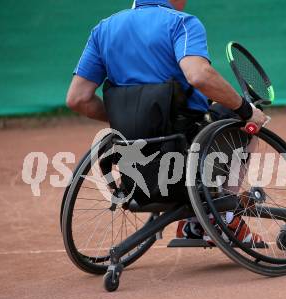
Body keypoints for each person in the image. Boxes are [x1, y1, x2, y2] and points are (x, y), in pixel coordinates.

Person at [66, 0, 268, 244]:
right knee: (246, 120)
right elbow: (199, 75)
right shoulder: (181, 23)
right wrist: (246, 111)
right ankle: (221, 215)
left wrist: (130, 119)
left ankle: (195, 222)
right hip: (184, 143)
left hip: (136, 159)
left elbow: (78, 99)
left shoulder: (103, 29)